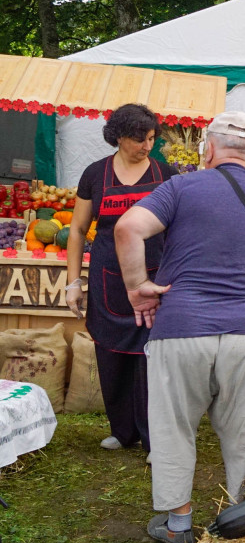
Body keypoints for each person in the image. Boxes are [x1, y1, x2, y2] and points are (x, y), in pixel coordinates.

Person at [114, 111, 245, 543]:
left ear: (207, 150)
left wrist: (137, 288)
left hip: (178, 329)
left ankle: (178, 524)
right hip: (243, 334)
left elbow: (128, 228)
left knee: (173, 426)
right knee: (244, 431)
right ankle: (243, 519)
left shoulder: (180, 187)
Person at [65, 103, 177, 453]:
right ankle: (122, 430)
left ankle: (152, 437)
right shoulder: (95, 174)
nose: (147, 146)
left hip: (154, 280)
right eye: (139, 139)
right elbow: (78, 230)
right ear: (118, 137)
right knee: (110, 354)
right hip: (107, 279)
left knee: (150, 359)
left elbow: (179, 230)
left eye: (151, 138)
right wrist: (73, 282)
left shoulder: (166, 174)